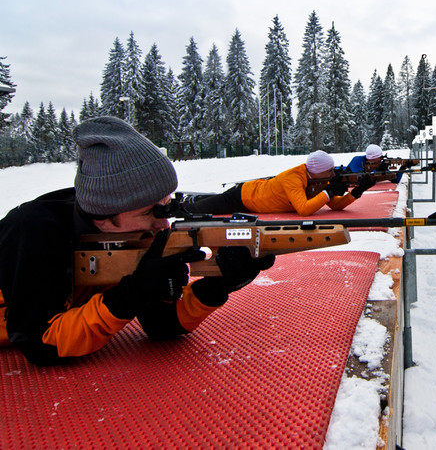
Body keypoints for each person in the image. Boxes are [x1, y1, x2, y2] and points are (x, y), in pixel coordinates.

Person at [0, 116, 271, 366]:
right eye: (147, 212)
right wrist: (131, 295)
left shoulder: (137, 234)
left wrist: (217, 285)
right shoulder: (34, 231)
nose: (163, 223)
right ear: (103, 217)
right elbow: (42, 344)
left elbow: (161, 325)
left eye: (165, 206)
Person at [186, 150, 373, 217]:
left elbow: (335, 206)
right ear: (317, 171)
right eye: (330, 170)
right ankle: (181, 205)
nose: (333, 174)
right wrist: (330, 192)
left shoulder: (317, 180)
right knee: (195, 211)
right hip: (243, 197)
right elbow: (304, 209)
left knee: (209, 204)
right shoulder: (293, 179)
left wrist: (357, 192)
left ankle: (198, 198)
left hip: (254, 201)